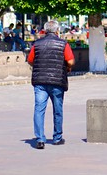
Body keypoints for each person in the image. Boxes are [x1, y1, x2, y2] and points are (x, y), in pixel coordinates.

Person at [26, 20, 75, 149]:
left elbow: (30, 60)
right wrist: (65, 67)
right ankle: (57, 138)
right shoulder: (63, 44)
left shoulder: (37, 44)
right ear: (57, 30)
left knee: (39, 110)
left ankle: (40, 139)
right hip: (57, 81)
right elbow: (70, 61)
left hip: (40, 81)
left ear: (45, 30)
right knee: (57, 110)